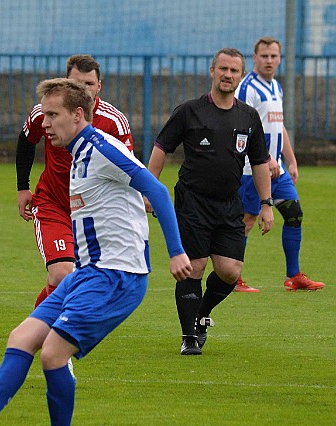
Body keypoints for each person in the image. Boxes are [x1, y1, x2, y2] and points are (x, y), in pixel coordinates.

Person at [0, 79, 192, 426]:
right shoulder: (76, 152)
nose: (45, 124)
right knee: (21, 338)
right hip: (87, 273)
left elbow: (158, 190)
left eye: (52, 115)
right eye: (44, 114)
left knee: (52, 354)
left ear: (77, 114)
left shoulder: (102, 149)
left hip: (117, 277)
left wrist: (176, 251)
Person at [147, 48, 275, 356]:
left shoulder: (248, 116)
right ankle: (188, 336)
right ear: (212, 71)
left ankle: (201, 315)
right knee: (195, 266)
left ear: (240, 76)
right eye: (223, 69)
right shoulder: (189, 111)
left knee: (230, 270)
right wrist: (149, 190)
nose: (228, 75)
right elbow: (161, 148)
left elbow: (259, 161)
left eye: (234, 71)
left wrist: (267, 203)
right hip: (193, 200)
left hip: (229, 203)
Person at [17, 55, 134, 307]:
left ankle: (38, 329)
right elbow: (26, 140)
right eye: (75, 83)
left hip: (93, 212)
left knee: (86, 282)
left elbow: (129, 171)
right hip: (54, 204)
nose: (83, 90)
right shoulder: (46, 112)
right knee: (61, 274)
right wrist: (22, 187)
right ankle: (38, 331)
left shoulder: (114, 121)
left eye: (89, 84)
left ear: (99, 86)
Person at [234, 37, 324, 292]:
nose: (269, 61)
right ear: (254, 57)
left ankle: (294, 276)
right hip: (253, 169)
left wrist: (291, 159)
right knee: (247, 221)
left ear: (279, 59)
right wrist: (266, 157)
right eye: (264, 56)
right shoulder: (247, 88)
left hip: (278, 169)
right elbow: (243, 127)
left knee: (294, 214)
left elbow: (278, 125)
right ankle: (232, 278)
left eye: (274, 56)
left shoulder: (276, 87)